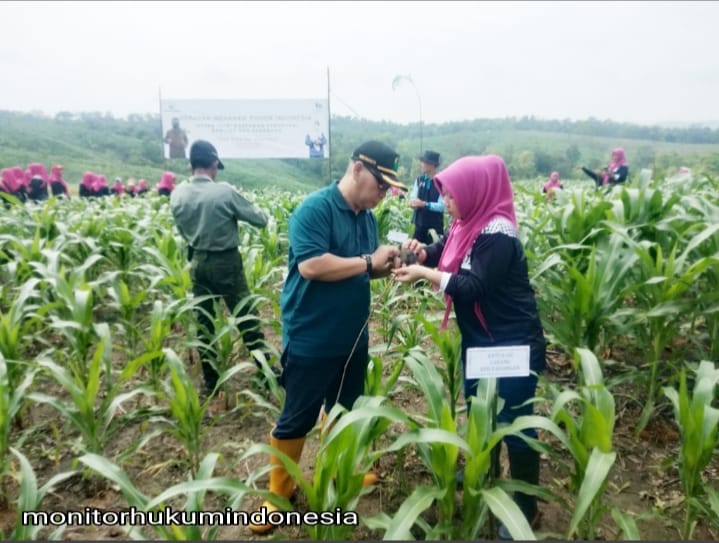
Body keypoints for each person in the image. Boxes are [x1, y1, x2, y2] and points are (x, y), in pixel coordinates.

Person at [250, 140, 406, 535]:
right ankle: (277, 493)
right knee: (298, 415)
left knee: (345, 408)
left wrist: (388, 266)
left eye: (388, 188)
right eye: (380, 184)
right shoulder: (315, 209)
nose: (383, 193)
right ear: (357, 169)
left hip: (351, 335)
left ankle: (339, 470)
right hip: (312, 335)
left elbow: (360, 268)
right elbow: (313, 265)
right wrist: (370, 261)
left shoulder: (366, 218)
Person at [392, 155, 546, 539]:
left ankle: (526, 508)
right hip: (483, 339)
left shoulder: (498, 233)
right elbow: (444, 247)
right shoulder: (468, 223)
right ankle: (484, 471)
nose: (447, 203)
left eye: (452, 195)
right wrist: (423, 252)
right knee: (481, 408)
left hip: (511, 343)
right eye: (444, 194)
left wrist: (427, 273)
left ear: (476, 191)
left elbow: (475, 286)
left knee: (515, 425)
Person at [170, 140, 270, 397]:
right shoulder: (224, 191)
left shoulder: (177, 194)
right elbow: (260, 220)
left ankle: (210, 383)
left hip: (198, 262)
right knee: (246, 315)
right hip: (226, 262)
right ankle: (268, 374)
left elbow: (182, 232)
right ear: (213, 164)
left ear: (191, 164)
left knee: (204, 323)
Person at [409, 150, 445, 244]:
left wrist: (425, 204)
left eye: (424, 162)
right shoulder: (419, 180)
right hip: (419, 225)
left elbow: (442, 206)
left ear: (432, 165)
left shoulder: (441, 183)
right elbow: (413, 197)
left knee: (434, 254)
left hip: (434, 227)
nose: (422, 164)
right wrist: (413, 203)